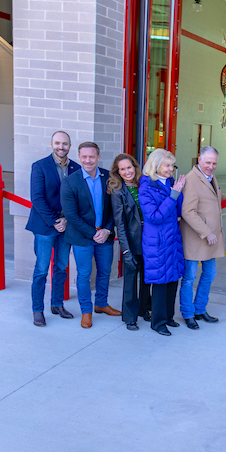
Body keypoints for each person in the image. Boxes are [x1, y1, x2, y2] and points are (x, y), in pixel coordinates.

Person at [179, 146, 226, 330]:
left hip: (210, 239)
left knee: (209, 274)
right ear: (199, 160)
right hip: (197, 238)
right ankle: (188, 313)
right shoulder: (191, 180)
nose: (211, 166)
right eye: (208, 162)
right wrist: (207, 232)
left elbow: (214, 199)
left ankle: (200, 309)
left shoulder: (210, 177)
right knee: (189, 277)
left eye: (214, 163)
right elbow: (187, 212)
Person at [60, 141, 120, 329]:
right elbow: (71, 215)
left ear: (98, 157)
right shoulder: (70, 181)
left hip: (105, 235)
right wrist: (93, 233)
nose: (88, 160)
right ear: (79, 157)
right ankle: (86, 311)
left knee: (104, 272)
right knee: (84, 274)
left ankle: (101, 304)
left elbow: (114, 210)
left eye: (91, 157)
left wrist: (107, 230)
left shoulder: (108, 178)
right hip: (82, 237)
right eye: (84, 157)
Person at [26, 131, 81, 327]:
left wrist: (66, 220)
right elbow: (37, 198)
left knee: (61, 267)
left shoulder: (76, 168)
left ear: (69, 146)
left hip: (66, 227)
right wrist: (55, 220)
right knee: (41, 270)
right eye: (58, 143)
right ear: (52, 144)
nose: (61, 147)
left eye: (64, 144)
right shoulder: (40, 166)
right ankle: (37, 310)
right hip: (44, 226)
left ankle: (57, 304)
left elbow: (77, 199)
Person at [139, 149, 185, 336]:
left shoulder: (172, 183)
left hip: (172, 238)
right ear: (155, 165)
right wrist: (173, 195)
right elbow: (154, 217)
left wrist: (180, 193)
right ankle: (157, 323)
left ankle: (168, 316)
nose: (170, 169)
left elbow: (180, 210)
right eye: (167, 165)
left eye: (172, 165)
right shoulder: (147, 186)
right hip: (157, 241)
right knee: (160, 281)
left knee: (173, 278)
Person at [109, 153, 151, 331]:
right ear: (118, 172)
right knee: (131, 279)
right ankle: (129, 317)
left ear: (135, 167)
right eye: (123, 169)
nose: (127, 172)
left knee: (146, 278)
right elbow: (120, 224)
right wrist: (125, 251)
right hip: (131, 240)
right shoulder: (118, 191)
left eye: (129, 167)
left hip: (149, 238)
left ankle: (144, 309)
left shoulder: (144, 184)